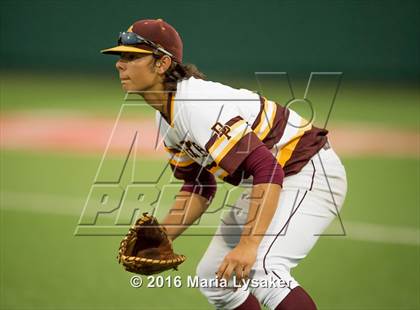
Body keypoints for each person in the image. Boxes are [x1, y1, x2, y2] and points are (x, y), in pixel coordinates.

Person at [101, 18, 347, 310]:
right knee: (214, 278)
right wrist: (161, 238)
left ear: (162, 63)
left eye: (132, 56)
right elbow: (199, 185)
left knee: (263, 269)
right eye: (121, 56)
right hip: (277, 178)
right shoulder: (166, 114)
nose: (120, 64)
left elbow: (268, 169)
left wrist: (249, 245)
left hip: (308, 170)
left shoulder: (197, 104)